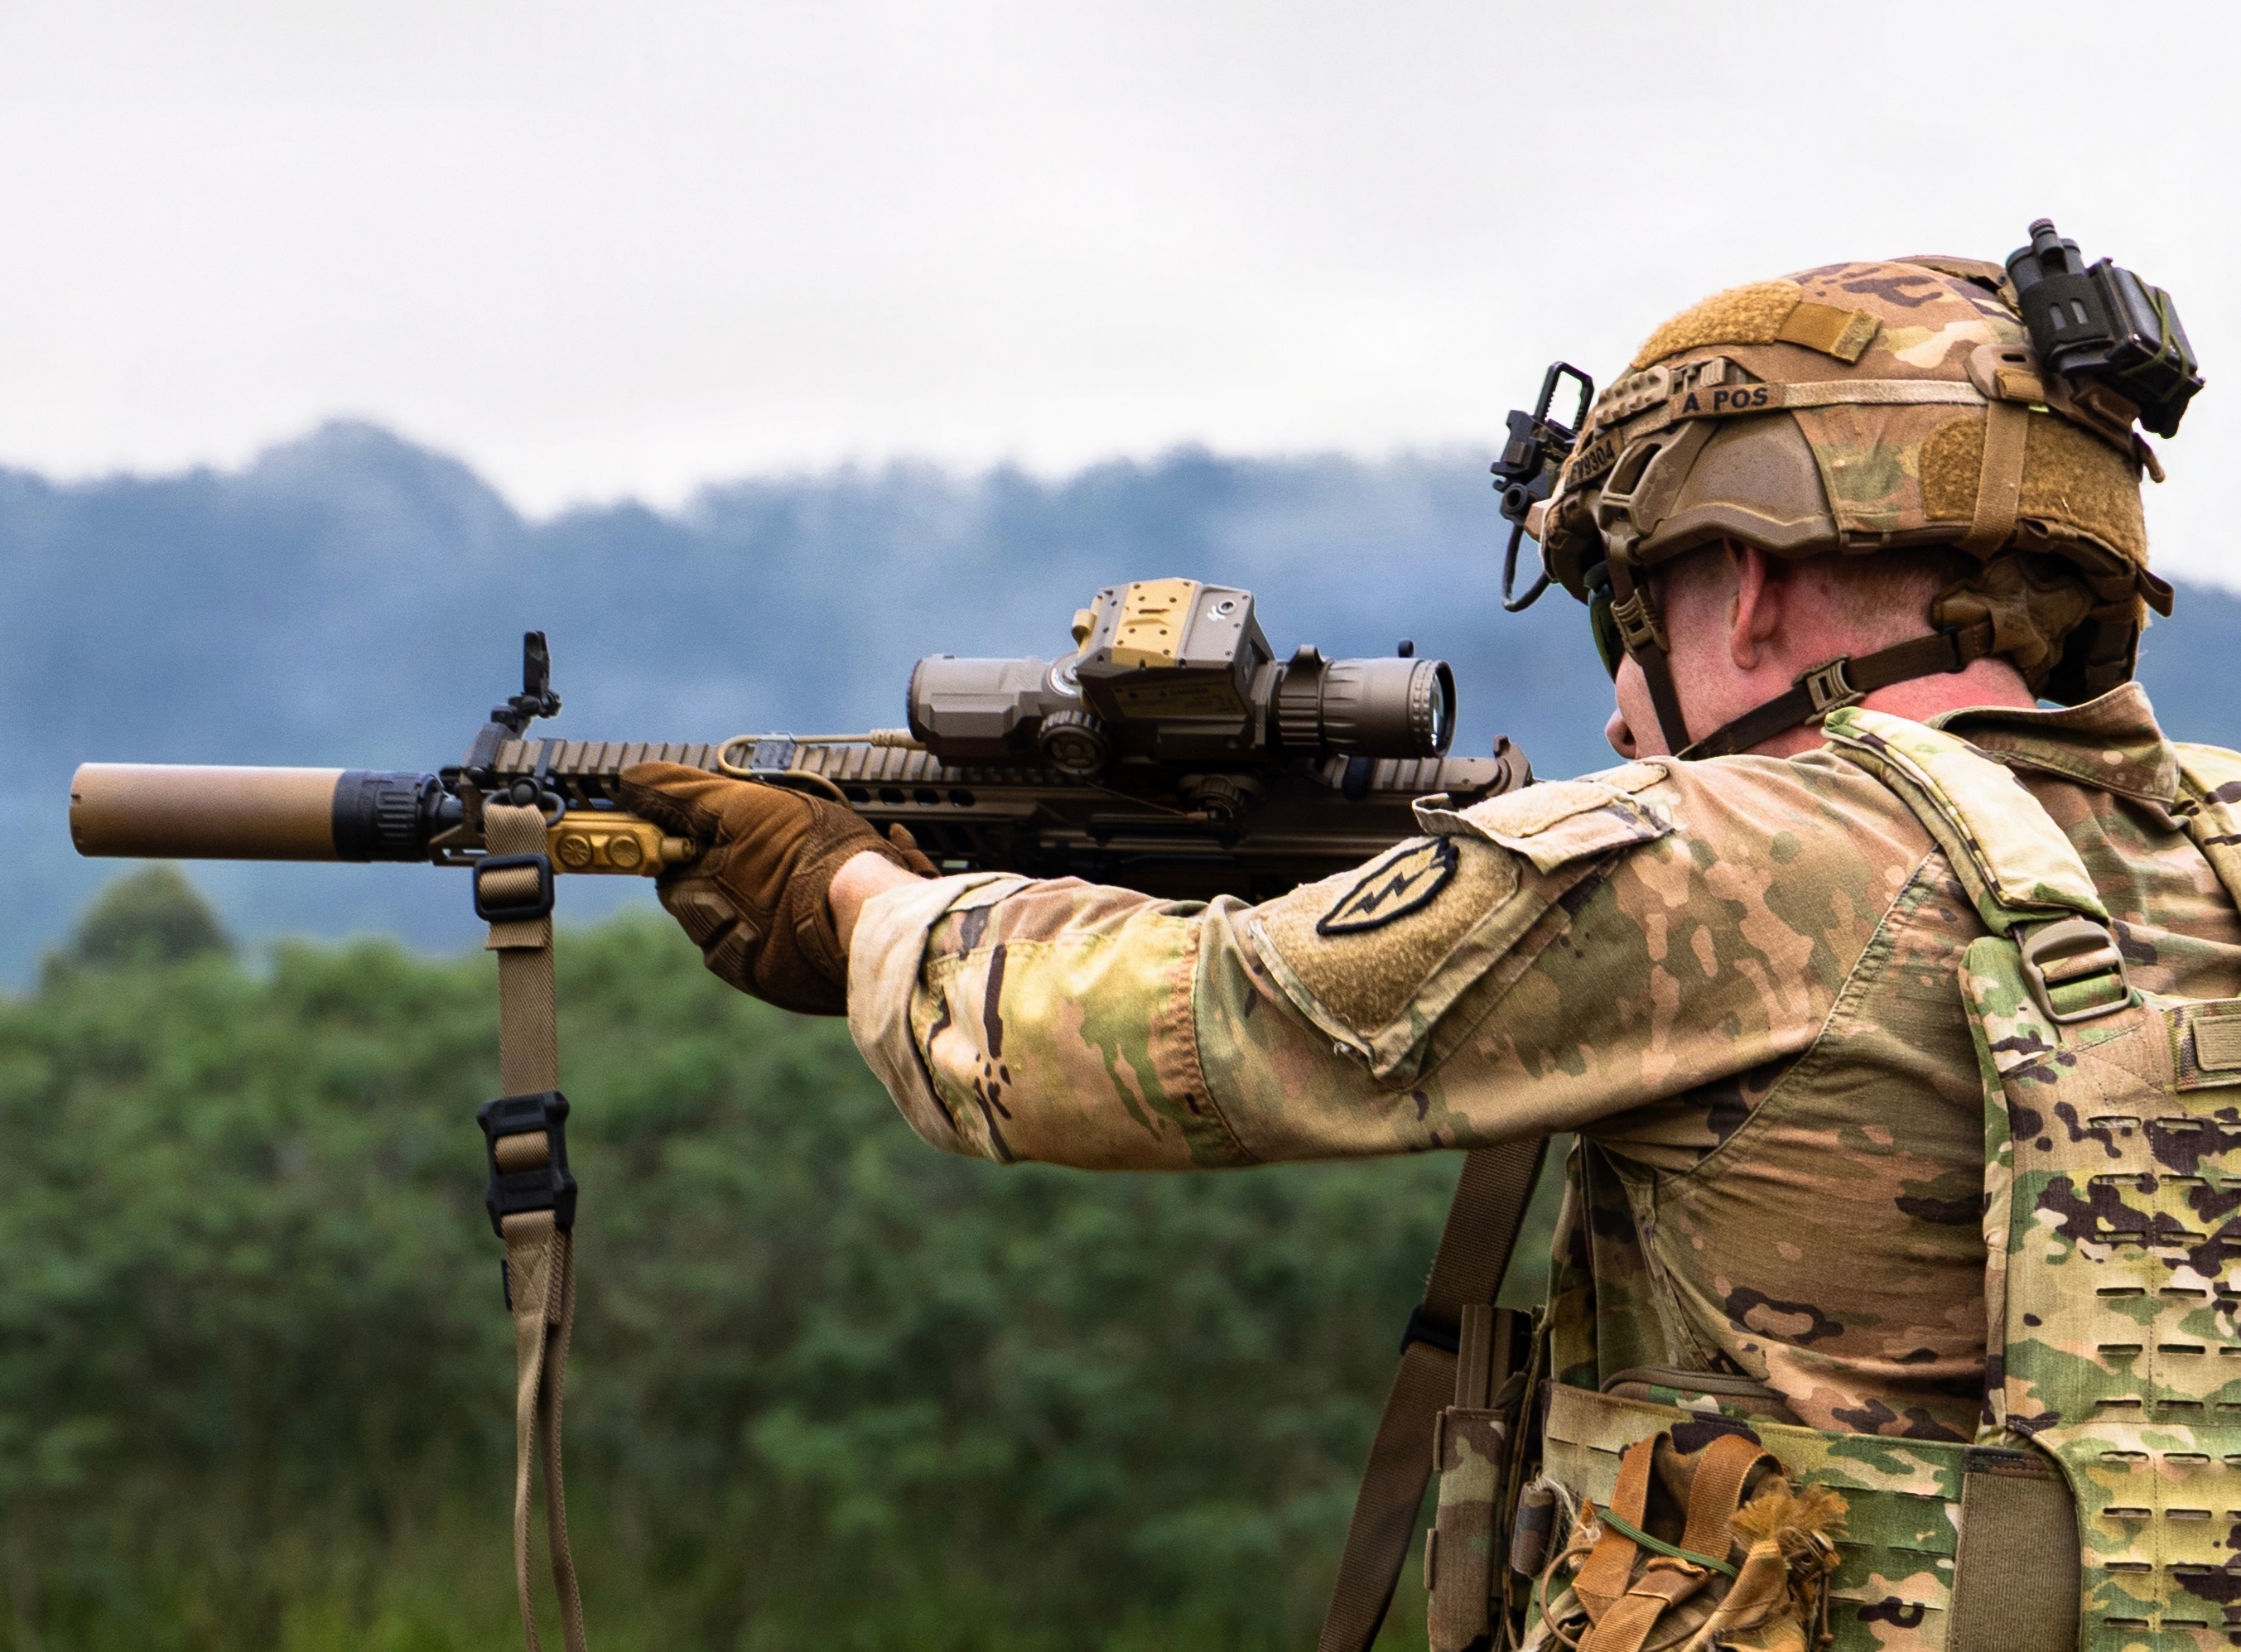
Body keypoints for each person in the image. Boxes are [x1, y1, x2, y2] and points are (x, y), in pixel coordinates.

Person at [615, 248, 2226, 1651]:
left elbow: (1145, 1035)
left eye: (1631, 608)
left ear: (1740, 587)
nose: (1617, 701)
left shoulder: (1730, 856)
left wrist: (853, 895)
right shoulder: (2209, 847)